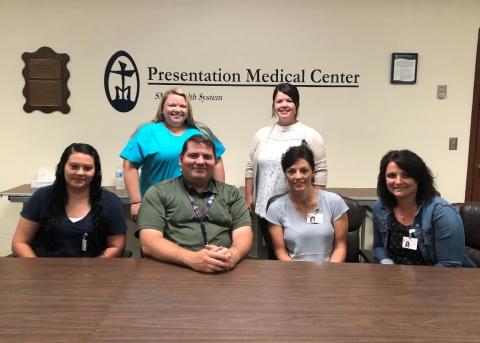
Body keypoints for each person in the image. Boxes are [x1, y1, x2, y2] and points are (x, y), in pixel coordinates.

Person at [137, 135, 253, 273]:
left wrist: (233, 255)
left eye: (207, 157)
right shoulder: (158, 192)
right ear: (180, 160)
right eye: (193, 155)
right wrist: (192, 259)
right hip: (174, 269)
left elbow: (244, 233)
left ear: (215, 161)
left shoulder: (231, 193)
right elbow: (149, 242)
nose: (200, 161)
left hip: (225, 268)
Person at [245, 82, 327, 258]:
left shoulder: (310, 135)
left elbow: (320, 169)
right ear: (273, 106)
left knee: (298, 252)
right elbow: (250, 166)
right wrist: (249, 196)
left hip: (299, 206)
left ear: (297, 105)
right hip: (265, 207)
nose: (283, 105)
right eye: (278, 101)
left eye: (289, 100)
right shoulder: (262, 135)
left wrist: (317, 201)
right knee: (274, 254)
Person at [120, 87, 226, 220]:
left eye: (183, 106)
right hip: (156, 205)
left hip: (196, 206)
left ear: (188, 110)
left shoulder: (200, 132)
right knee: (153, 240)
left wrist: (219, 197)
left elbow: (217, 162)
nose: (177, 109)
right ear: (162, 109)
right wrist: (136, 201)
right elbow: (129, 166)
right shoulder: (147, 132)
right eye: (172, 105)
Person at [12, 143, 127, 257]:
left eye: (87, 168)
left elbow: (116, 246)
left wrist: (93, 271)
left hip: (92, 272)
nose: (80, 172)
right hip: (44, 271)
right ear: (63, 167)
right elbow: (20, 243)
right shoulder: (42, 197)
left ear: (95, 172)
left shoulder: (110, 202)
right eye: (74, 166)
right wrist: (38, 270)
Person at [373, 149, 475, 267]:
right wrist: (385, 261)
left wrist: (416, 283)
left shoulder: (442, 212)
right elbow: (379, 246)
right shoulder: (381, 206)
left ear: (419, 178)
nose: (398, 181)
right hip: (396, 279)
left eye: (406, 175)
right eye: (391, 175)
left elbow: (449, 266)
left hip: (436, 279)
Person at [266, 144, 348, 261]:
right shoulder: (276, 208)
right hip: (293, 273)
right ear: (285, 174)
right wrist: (296, 275)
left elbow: (340, 247)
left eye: (304, 170)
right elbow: (280, 251)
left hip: (329, 272)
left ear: (313, 172)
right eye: (291, 171)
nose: (298, 176)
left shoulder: (334, 202)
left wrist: (330, 275)